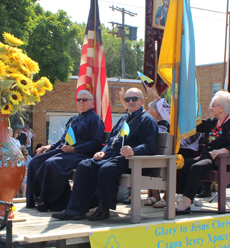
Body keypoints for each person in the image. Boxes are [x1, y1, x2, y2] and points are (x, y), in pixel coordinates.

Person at [52, 88, 158, 221]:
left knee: (106, 169)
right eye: (127, 99)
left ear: (142, 100)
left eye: (134, 99)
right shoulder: (124, 119)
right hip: (112, 156)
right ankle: (75, 209)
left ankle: (103, 209)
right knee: (85, 165)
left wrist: (133, 150)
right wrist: (102, 151)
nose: (131, 102)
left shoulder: (147, 120)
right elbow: (110, 141)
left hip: (130, 160)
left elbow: (149, 145)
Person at [26, 90, 105, 212]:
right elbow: (63, 140)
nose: (81, 102)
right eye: (79, 100)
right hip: (66, 152)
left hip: (82, 154)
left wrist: (75, 149)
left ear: (92, 103)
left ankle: (57, 203)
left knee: (51, 164)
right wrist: (50, 147)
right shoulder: (73, 119)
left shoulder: (95, 119)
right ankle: (36, 198)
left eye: (85, 100)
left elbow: (96, 142)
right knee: (34, 162)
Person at [176, 91, 230, 212]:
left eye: (212, 105)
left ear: (221, 108)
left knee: (196, 168)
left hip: (222, 162)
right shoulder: (212, 122)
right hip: (207, 158)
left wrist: (223, 150)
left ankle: (186, 203)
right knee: (181, 164)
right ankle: (182, 197)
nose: (209, 107)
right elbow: (192, 124)